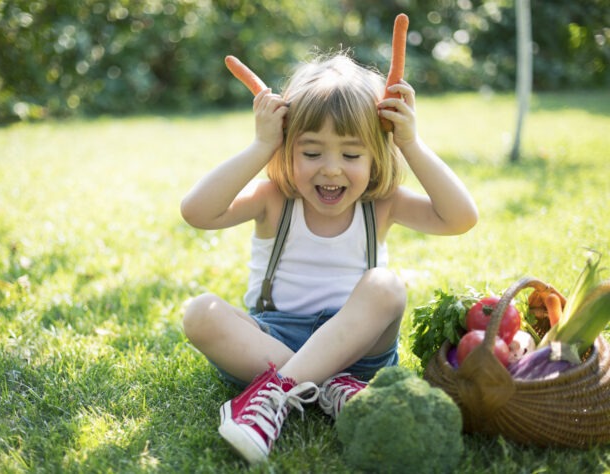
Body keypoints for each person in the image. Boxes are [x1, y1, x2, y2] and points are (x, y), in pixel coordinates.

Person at [180, 52, 478, 464]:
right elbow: (197, 212)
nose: (332, 170)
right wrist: (261, 144)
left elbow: (461, 218)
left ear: (377, 155)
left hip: (358, 350)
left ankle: (276, 391)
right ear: (287, 147)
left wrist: (410, 142)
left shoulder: (381, 204)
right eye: (313, 152)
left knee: (385, 285)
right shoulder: (274, 199)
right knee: (199, 313)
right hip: (272, 341)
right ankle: (326, 386)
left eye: (352, 156)